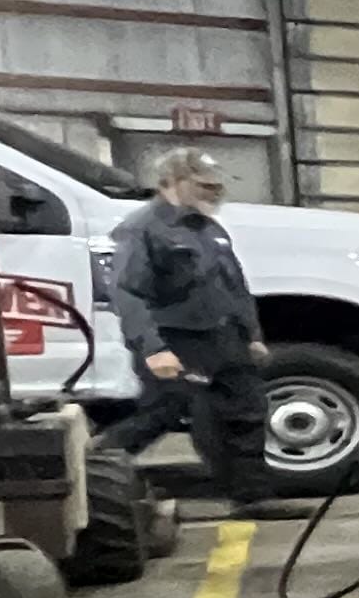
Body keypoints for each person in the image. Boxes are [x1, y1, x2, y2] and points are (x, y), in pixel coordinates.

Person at [101, 147, 271, 500]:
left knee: (246, 411)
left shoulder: (209, 228)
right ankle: (90, 468)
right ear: (171, 183)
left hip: (223, 338)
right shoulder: (141, 230)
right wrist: (154, 349)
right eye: (204, 186)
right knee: (165, 410)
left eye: (217, 187)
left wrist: (251, 335)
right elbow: (129, 294)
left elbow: (234, 285)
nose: (214, 194)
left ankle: (252, 499)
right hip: (175, 339)